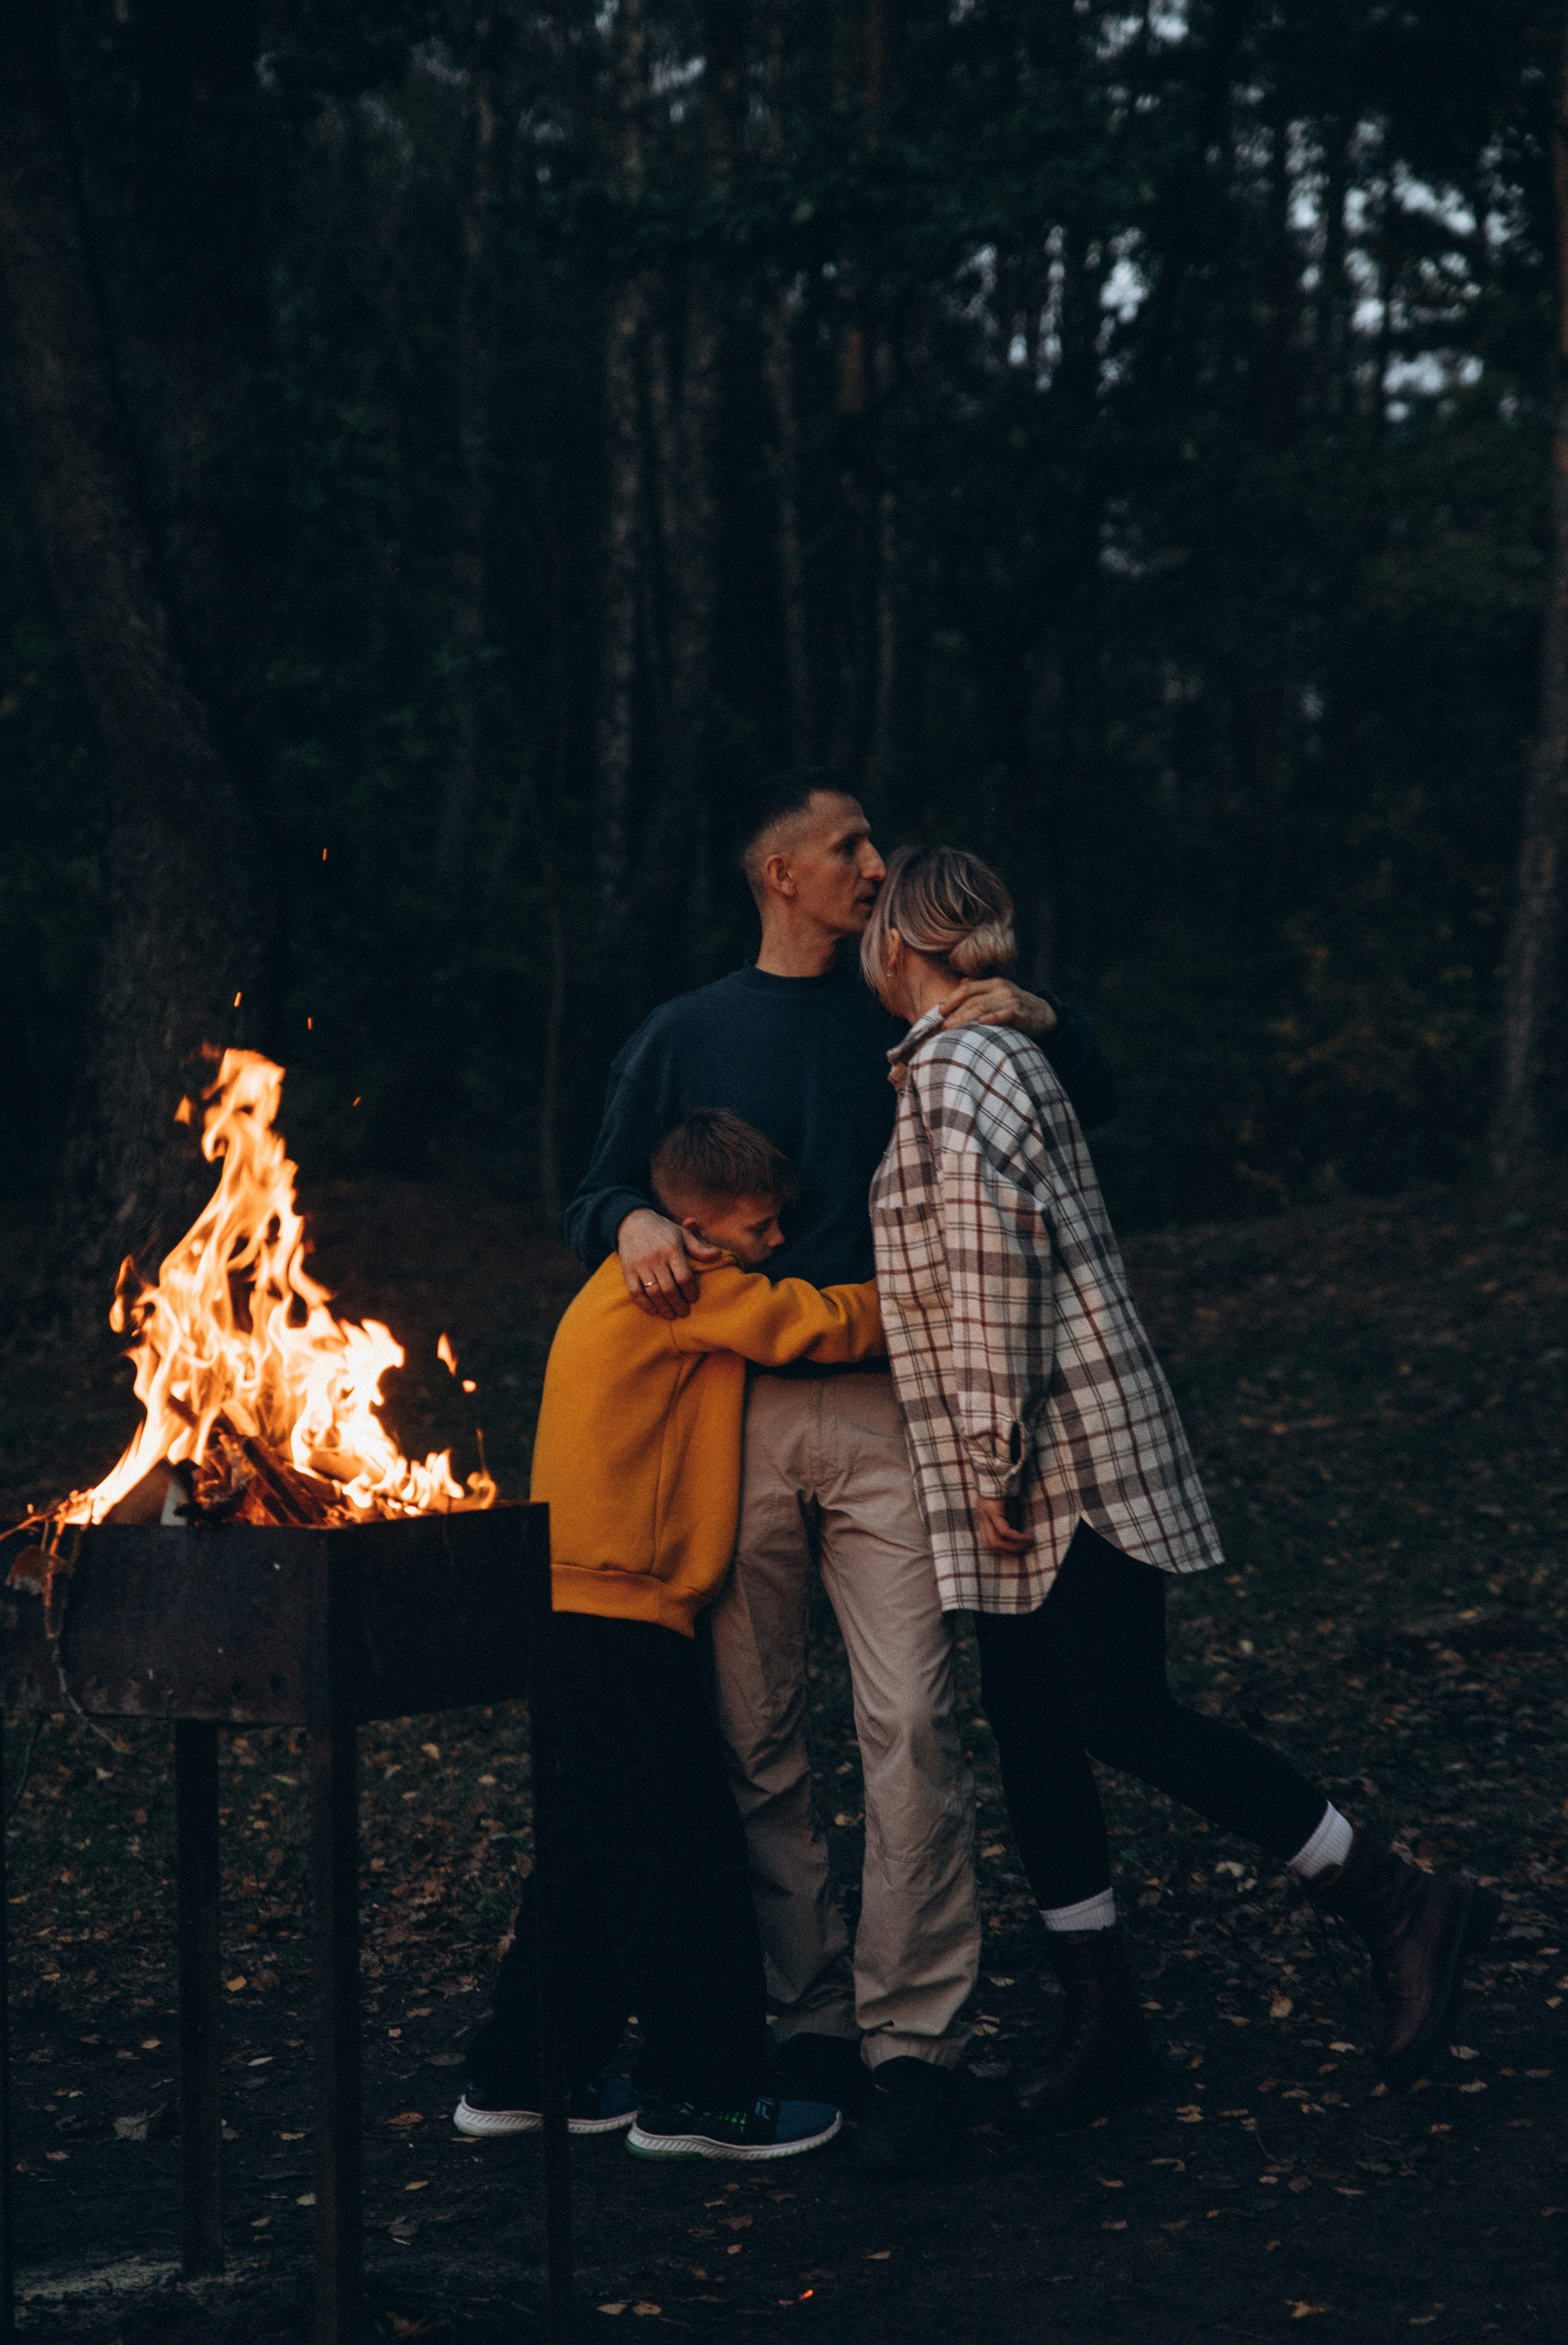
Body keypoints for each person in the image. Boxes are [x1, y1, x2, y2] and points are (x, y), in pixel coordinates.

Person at [863, 842, 1501, 2120]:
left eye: (880, 930)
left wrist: (993, 1455)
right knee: (1034, 1724)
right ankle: (1102, 2026)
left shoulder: (955, 1066)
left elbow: (994, 1277)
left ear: (904, 945)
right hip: (1036, 1461)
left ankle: (1386, 1895)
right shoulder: (983, 1056)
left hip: (1055, 1464)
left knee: (1114, 1710)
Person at [564, 771, 1118, 2172]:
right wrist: (630, 1215)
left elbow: (1079, 1093)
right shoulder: (685, 1032)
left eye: (874, 845)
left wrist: (1011, 1005)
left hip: (894, 1413)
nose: (876, 865)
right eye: (848, 847)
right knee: (754, 1735)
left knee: (913, 1725)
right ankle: (803, 2018)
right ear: (779, 876)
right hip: (727, 1418)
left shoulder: (915, 1013)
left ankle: (910, 2042)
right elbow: (592, 1188)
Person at [456, 1109, 884, 2162]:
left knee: (588, 1854)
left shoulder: (624, 1278)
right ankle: (700, 2097)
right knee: (679, 1852)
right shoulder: (684, 1286)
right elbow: (811, 1327)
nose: (775, 1243)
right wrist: (922, 1294)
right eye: (759, 1227)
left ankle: (524, 2075)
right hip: (620, 1607)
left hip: (565, 1603)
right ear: (696, 1225)